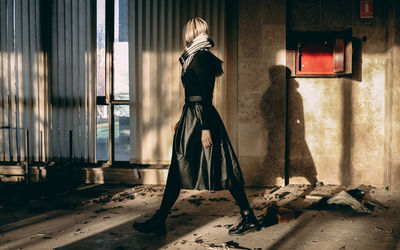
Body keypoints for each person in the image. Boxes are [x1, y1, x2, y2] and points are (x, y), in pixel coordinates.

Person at [133, 17, 260, 236]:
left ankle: (248, 217)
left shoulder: (201, 58)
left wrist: (205, 128)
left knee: (223, 167)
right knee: (179, 167)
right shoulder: (193, 56)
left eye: (186, 30)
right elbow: (193, 95)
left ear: (191, 32)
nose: (184, 33)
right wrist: (183, 118)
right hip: (192, 116)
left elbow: (205, 97)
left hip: (201, 118)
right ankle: (160, 219)